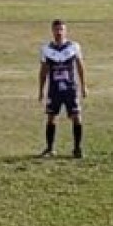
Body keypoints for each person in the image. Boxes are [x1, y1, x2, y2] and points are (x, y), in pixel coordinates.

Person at [38, 19, 87, 158]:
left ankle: (77, 148)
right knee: (51, 117)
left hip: (70, 89)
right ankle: (50, 148)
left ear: (65, 31)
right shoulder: (46, 49)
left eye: (61, 30)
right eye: (56, 29)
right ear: (52, 31)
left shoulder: (74, 47)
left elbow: (80, 67)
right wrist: (41, 90)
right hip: (54, 89)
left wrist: (84, 86)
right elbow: (43, 71)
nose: (59, 32)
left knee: (76, 117)